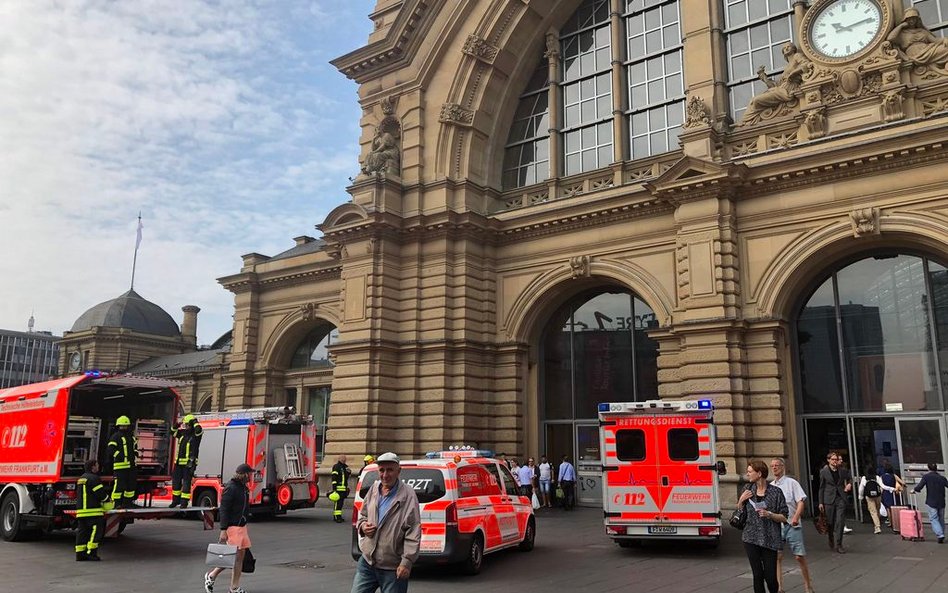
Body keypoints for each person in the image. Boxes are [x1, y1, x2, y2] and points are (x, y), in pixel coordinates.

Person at [351, 452, 421, 593]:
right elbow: (362, 516)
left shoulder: (408, 495)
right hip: (368, 562)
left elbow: (413, 532)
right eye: (381, 470)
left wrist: (406, 562)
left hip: (393, 567)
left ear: (398, 471)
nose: (385, 475)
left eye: (390, 470)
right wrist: (364, 526)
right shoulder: (374, 489)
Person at [739, 460, 788, 593]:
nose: (747, 474)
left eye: (750, 472)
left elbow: (784, 516)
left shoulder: (776, 492)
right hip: (750, 537)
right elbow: (740, 513)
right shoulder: (747, 489)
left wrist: (770, 514)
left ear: (759, 473)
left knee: (771, 578)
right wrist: (741, 501)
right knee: (758, 576)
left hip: (770, 539)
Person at [205, 463, 253, 593]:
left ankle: (212, 576)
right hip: (233, 527)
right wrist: (223, 529)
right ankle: (234, 588)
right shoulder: (231, 488)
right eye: (250, 474)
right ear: (243, 474)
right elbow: (224, 510)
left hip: (241, 527)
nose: (251, 476)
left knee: (236, 558)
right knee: (235, 558)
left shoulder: (243, 487)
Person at [770, 458, 814, 593]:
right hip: (777, 525)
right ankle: (779, 587)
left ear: (783, 467)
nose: (774, 468)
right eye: (772, 466)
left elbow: (800, 501)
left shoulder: (791, 483)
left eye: (777, 465)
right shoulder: (771, 486)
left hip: (792, 523)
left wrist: (796, 517)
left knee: (799, 556)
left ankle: (808, 585)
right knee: (777, 556)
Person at [739, 43, 810, 125]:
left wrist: (794, 73)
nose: (786, 48)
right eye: (784, 48)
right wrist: (763, 76)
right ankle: (745, 121)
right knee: (753, 100)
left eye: (788, 47)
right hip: (781, 89)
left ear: (793, 49)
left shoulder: (797, 56)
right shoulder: (787, 67)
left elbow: (806, 64)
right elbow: (775, 86)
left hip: (788, 90)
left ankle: (746, 122)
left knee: (756, 101)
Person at [887, 8, 948, 73]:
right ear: (905, 20)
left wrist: (945, 39)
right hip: (914, 54)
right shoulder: (902, 34)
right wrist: (901, 26)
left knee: (946, 48)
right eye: (909, 19)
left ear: (917, 20)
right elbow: (890, 38)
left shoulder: (922, 31)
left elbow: (936, 41)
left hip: (928, 50)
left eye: (914, 19)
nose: (912, 21)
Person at [75, 459, 110, 561]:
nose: (98, 467)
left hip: (82, 512)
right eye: (97, 465)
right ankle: (91, 553)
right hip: (93, 511)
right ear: (93, 467)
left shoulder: (81, 478)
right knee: (96, 533)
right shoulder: (94, 478)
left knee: (82, 533)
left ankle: (80, 554)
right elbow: (100, 494)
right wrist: (108, 500)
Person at [818, 451, 852, 553]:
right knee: (830, 522)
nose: (835, 461)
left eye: (836, 459)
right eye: (832, 459)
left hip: (840, 498)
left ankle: (839, 544)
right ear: (828, 460)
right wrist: (820, 502)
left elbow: (849, 478)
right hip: (828, 499)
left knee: (840, 521)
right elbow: (821, 487)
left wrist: (849, 484)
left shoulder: (842, 470)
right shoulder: (824, 472)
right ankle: (831, 537)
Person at [170, 414, 203, 508]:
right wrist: (177, 425)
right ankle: (175, 501)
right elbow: (172, 432)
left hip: (189, 464)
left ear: (191, 425)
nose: (186, 426)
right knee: (176, 483)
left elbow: (199, 430)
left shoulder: (196, 435)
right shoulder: (182, 434)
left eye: (188, 425)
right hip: (178, 463)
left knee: (186, 484)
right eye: (185, 425)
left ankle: (184, 502)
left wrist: (195, 422)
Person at [107, 415, 139, 508]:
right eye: (122, 426)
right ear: (118, 426)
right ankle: (116, 504)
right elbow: (110, 449)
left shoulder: (131, 437)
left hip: (131, 466)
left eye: (125, 426)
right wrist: (119, 455)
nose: (124, 427)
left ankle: (127, 503)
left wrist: (135, 454)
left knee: (131, 486)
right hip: (120, 466)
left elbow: (135, 448)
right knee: (119, 486)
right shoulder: (115, 436)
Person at [913, 462, 948, 544]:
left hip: (931, 501)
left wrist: (915, 490)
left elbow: (919, 487)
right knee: (941, 519)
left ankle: (940, 534)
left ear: (928, 468)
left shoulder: (926, 477)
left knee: (933, 518)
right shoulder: (942, 478)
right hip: (941, 501)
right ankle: (941, 533)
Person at [859, 464, 895, 535]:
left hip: (869, 497)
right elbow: (882, 486)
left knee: (873, 512)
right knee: (877, 510)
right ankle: (877, 523)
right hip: (878, 496)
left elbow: (861, 488)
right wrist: (891, 488)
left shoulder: (864, 478)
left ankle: (877, 527)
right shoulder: (877, 477)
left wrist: (860, 496)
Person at [880, 460, 905, 524]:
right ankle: (896, 521)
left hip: (886, 493)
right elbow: (903, 483)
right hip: (894, 492)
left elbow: (881, 487)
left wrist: (881, 494)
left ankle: (891, 522)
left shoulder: (882, 477)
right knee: (894, 507)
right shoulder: (894, 476)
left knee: (888, 508)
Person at [331, 454, 353, 523]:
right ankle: (336, 517)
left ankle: (339, 516)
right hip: (338, 489)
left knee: (341, 504)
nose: (344, 460)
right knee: (337, 503)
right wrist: (334, 488)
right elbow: (334, 478)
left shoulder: (345, 467)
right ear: (339, 459)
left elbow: (347, 475)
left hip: (343, 489)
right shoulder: (336, 467)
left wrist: (349, 472)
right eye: (343, 459)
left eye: (345, 459)